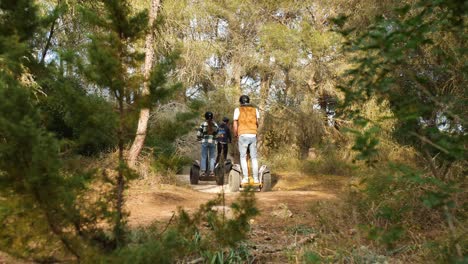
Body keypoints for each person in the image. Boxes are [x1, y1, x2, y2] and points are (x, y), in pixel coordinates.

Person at [233, 95, 260, 184]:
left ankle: (245, 178)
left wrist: (236, 134)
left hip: (243, 134)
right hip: (253, 134)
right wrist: (254, 131)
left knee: (243, 156)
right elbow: (257, 123)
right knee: (254, 157)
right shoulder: (255, 110)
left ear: (241, 102)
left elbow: (235, 124)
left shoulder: (238, 110)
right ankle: (256, 179)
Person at [197, 111, 219, 177]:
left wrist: (199, 138)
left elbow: (198, 134)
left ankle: (203, 171)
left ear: (205, 117)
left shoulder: (203, 124)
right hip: (213, 142)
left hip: (205, 142)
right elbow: (217, 134)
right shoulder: (215, 125)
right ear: (212, 117)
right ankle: (212, 172)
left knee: (204, 156)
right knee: (212, 157)